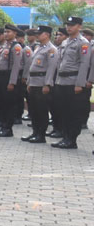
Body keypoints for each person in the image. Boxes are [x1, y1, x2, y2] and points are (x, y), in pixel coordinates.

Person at [44, 16, 91, 149]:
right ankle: (65, 136)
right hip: (61, 81)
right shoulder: (65, 43)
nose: (69, 27)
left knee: (73, 112)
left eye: (73, 25)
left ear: (79, 27)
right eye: (68, 25)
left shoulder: (83, 43)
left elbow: (84, 64)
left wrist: (79, 84)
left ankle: (71, 139)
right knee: (62, 110)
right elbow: (59, 63)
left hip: (73, 81)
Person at [0, 25, 23, 138]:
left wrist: (12, 82)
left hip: (9, 76)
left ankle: (7, 128)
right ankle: (2, 125)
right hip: (1, 76)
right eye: (5, 32)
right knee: (1, 102)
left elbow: (16, 66)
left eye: (8, 32)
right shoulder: (5, 46)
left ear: (15, 33)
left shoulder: (16, 47)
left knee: (8, 104)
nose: (6, 34)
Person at [24, 26, 55, 143]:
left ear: (47, 34)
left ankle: (41, 134)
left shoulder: (51, 49)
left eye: (40, 33)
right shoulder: (38, 48)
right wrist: (29, 82)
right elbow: (32, 67)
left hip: (42, 83)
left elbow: (51, 68)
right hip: (34, 82)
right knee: (34, 110)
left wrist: (47, 84)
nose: (37, 35)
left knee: (41, 111)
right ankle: (35, 132)